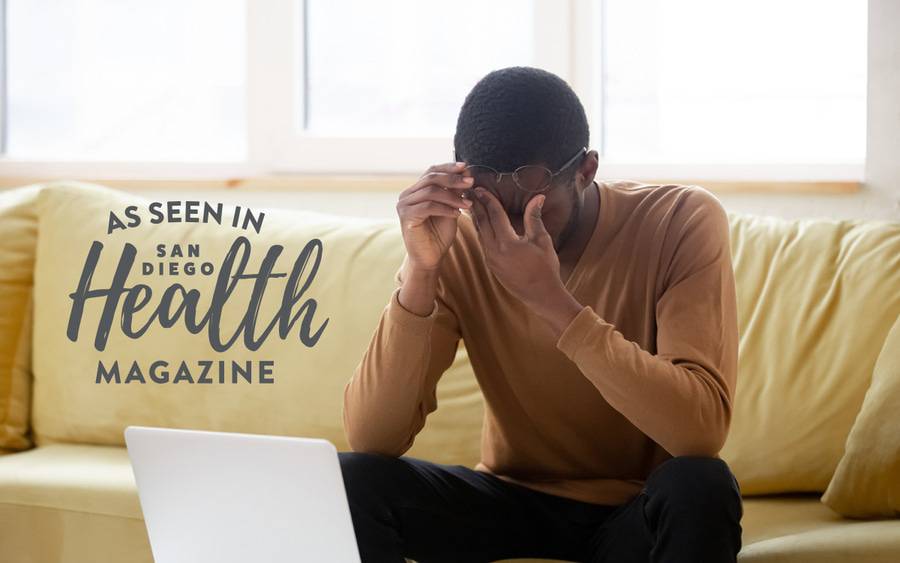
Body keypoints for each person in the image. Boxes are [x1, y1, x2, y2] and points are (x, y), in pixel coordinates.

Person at [340, 66, 743, 563]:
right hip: (510, 502)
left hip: (633, 510)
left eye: (535, 209)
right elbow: (372, 438)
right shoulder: (458, 242)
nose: (510, 234)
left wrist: (551, 300)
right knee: (350, 482)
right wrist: (422, 273)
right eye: (489, 209)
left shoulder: (680, 220)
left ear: (586, 170)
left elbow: (699, 433)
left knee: (702, 484)